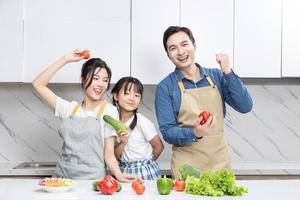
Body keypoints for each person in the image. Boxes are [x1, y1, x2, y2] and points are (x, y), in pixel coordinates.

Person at [155, 26, 253, 179]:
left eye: (184, 44)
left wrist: (228, 71)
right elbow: (168, 132)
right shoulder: (165, 87)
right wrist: (195, 132)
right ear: (168, 55)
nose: (180, 52)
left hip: (219, 165)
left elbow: (245, 106)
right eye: (173, 48)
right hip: (186, 170)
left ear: (194, 45)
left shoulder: (218, 76)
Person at [32, 49, 139, 181]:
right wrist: (65, 59)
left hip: (92, 181)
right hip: (62, 180)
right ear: (83, 80)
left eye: (105, 80)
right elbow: (38, 84)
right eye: (95, 78)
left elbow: (109, 154)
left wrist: (118, 174)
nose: (101, 84)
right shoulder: (69, 109)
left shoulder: (109, 111)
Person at [111, 77, 164, 180]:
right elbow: (114, 156)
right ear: (116, 96)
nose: (132, 98)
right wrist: (123, 142)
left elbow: (159, 147)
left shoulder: (142, 122)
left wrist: (146, 164)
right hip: (123, 171)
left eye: (136, 95)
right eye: (127, 93)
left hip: (144, 171)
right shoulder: (113, 122)